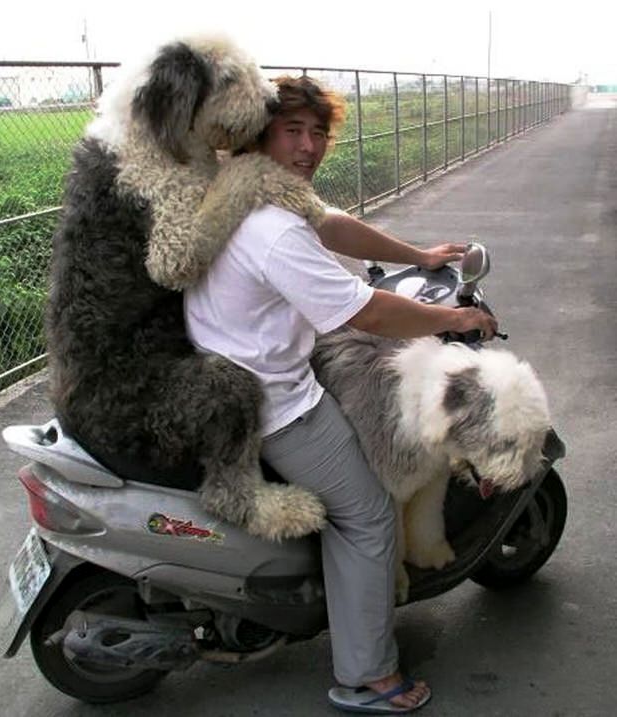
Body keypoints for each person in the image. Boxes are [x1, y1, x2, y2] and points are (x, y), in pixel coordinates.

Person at [185, 76, 497, 713]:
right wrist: (453, 321)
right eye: (292, 131)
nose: (309, 146)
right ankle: (370, 676)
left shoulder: (245, 193)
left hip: (222, 372)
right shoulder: (272, 228)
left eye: (319, 132)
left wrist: (420, 253)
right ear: (259, 135)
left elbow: (335, 225)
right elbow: (370, 316)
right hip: (272, 404)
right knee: (369, 516)